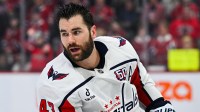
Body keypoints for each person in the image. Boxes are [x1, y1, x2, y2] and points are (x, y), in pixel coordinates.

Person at [36, 3, 175, 112]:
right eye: (64, 34)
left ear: (93, 32)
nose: (70, 40)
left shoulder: (121, 48)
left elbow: (143, 86)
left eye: (76, 32)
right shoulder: (54, 85)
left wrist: (161, 107)